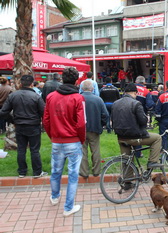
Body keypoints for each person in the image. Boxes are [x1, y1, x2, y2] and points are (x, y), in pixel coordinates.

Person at [43, 67, 86, 217]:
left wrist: (52, 136)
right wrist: (81, 139)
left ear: (62, 79)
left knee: (56, 171)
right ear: (76, 81)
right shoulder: (78, 98)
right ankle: (68, 207)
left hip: (57, 140)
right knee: (73, 175)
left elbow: (46, 121)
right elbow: (81, 123)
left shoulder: (51, 97)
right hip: (73, 141)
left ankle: (55, 197)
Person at [111, 83, 163, 190]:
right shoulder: (136, 103)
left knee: (126, 159)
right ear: (135, 93)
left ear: (125, 92)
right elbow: (143, 120)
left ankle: (128, 182)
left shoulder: (115, 103)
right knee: (157, 138)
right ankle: (152, 162)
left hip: (120, 137)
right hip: (134, 136)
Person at [0, 75, 47, 178]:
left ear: (20, 84)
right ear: (31, 84)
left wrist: (13, 120)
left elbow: (3, 112)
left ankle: (22, 171)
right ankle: (37, 172)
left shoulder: (14, 96)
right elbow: (44, 112)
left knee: (21, 149)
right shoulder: (36, 97)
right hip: (33, 126)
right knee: (34, 149)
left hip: (20, 125)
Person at [80, 80, 109, 178]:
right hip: (95, 128)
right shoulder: (98, 99)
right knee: (95, 150)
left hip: (81, 129)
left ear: (82, 88)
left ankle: (84, 172)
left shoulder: (78, 98)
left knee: (83, 151)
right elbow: (105, 115)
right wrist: (101, 124)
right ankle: (96, 171)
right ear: (92, 89)